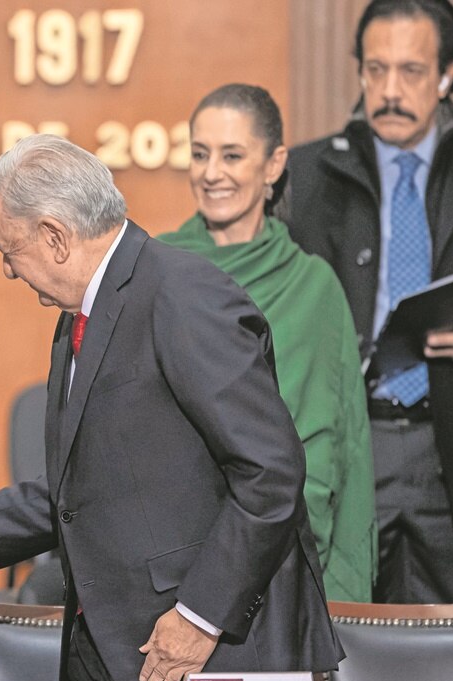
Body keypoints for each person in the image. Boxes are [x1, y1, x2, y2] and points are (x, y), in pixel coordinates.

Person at [0, 134, 342, 681]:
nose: (6, 270)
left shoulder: (183, 295)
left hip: (208, 654)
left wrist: (199, 617)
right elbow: (76, 494)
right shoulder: (80, 315)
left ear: (54, 236)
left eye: (9, 250)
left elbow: (270, 473)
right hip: (111, 654)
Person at [284, 0, 453, 604]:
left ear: (449, 75)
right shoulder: (303, 177)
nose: (389, 91)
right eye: (375, 69)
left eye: (411, 72)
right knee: (345, 660)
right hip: (348, 448)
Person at [157, 84, 376, 603]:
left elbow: (339, 439)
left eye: (232, 155)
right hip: (173, 556)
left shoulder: (313, 284)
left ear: (274, 164)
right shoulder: (156, 269)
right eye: (199, 153)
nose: (212, 173)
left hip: (289, 551)